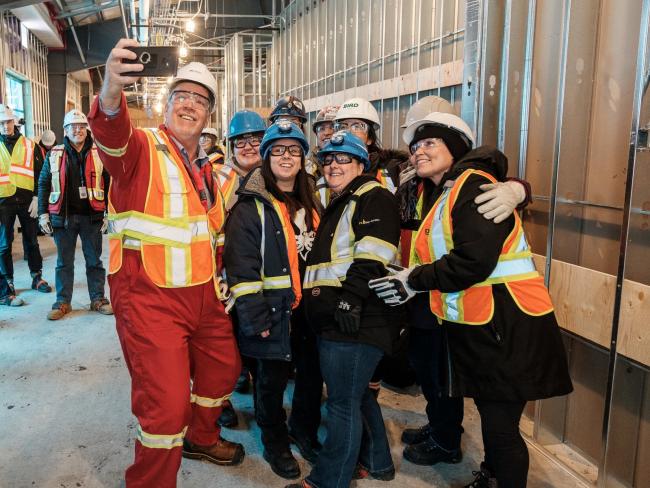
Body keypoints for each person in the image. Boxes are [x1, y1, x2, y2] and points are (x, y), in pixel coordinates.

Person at [370, 111, 573, 488]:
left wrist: (413, 279)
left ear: (456, 148)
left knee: (501, 430)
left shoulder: (473, 186)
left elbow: (474, 261)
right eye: (415, 146)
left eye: (430, 143)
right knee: (496, 422)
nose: (418, 152)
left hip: (509, 326)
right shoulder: (447, 190)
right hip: (487, 326)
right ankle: (491, 477)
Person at [88, 38, 243, 487]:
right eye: (182, 97)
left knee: (222, 370)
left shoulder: (210, 170)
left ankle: (201, 437)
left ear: (208, 116)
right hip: (148, 297)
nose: (189, 106)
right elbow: (111, 134)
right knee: (166, 406)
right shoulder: (141, 150)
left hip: (203, 296)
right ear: (166, 103)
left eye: (200, 100)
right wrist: (112, 89)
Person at [286, 131, 401, 488]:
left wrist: (350, 299)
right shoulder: (343, 200)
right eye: (328, 159)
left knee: (341, 405)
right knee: (357, 397)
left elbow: (373, 254)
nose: (333, 164)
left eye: (343, 158)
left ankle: (328, 481)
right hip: (341, 319)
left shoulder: (372, 196)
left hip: (354, 320)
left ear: (361, 164)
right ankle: (378, 462)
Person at [224, 120, 322, 480]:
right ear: (266, 158)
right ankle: (275, 442)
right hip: (271, 314)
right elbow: (241, 267)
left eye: (293, 149)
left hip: (309, 314)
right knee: (270, 383)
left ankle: (304, 430)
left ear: (302, 158)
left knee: (310, 377)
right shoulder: (251, 205)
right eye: (277, 149)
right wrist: (255, 319)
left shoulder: (313, 198)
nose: (286, 156)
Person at [211, 108, 268, 429]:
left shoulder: (272, 177)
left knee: (258, 346)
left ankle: (261, 400)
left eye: (255, 140)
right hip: (223, 278)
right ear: (230, 146)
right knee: (221, 346)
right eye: (240, 141)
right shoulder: (217, 179)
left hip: (262, 277)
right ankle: (220, 401)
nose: (247, 147)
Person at [37, 109, 113, 320]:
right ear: (65, 130)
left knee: (94, 261)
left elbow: (110, 184)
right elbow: (44, 183)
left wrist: (110, 212)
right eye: (73, 127)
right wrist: (43, 213)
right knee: (64, 262)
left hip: (92, 217)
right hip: (64, 218)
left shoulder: (99, 152)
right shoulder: (55, 153)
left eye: (81, 127)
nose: (77, 130)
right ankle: (62, 302)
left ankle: (98, 299)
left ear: (87, 130)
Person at [0, 104, 51, 307]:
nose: (5, 126)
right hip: (3, 203)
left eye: (8, 122)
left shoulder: (30, 145)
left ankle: (36, 276)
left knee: (32, 241)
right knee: (4, 244)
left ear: (15, 122)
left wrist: (37, 199)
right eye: (2, 123)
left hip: (26, 201)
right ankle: (8, 282)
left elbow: (41, 175)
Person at [306, 105, 339, 179]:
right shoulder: (308, 167)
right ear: (316, 134)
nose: (327, 132)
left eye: (333, 127)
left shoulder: (353, 161)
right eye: (321, 128)